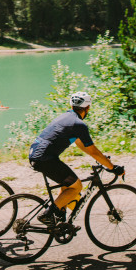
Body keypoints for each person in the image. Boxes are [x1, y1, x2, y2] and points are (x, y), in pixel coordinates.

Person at [29, 91, 124, 225]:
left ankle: (59, 216)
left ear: (72, 106)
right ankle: (48, 215)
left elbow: (82, 145)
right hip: (45, 159)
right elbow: (93, 151)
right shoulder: (78, 124)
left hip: (38, 155)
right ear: (88, 108)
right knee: (76, 186)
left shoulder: (67, 117)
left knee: (68, 184)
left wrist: (103, 160)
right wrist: (113, 167)